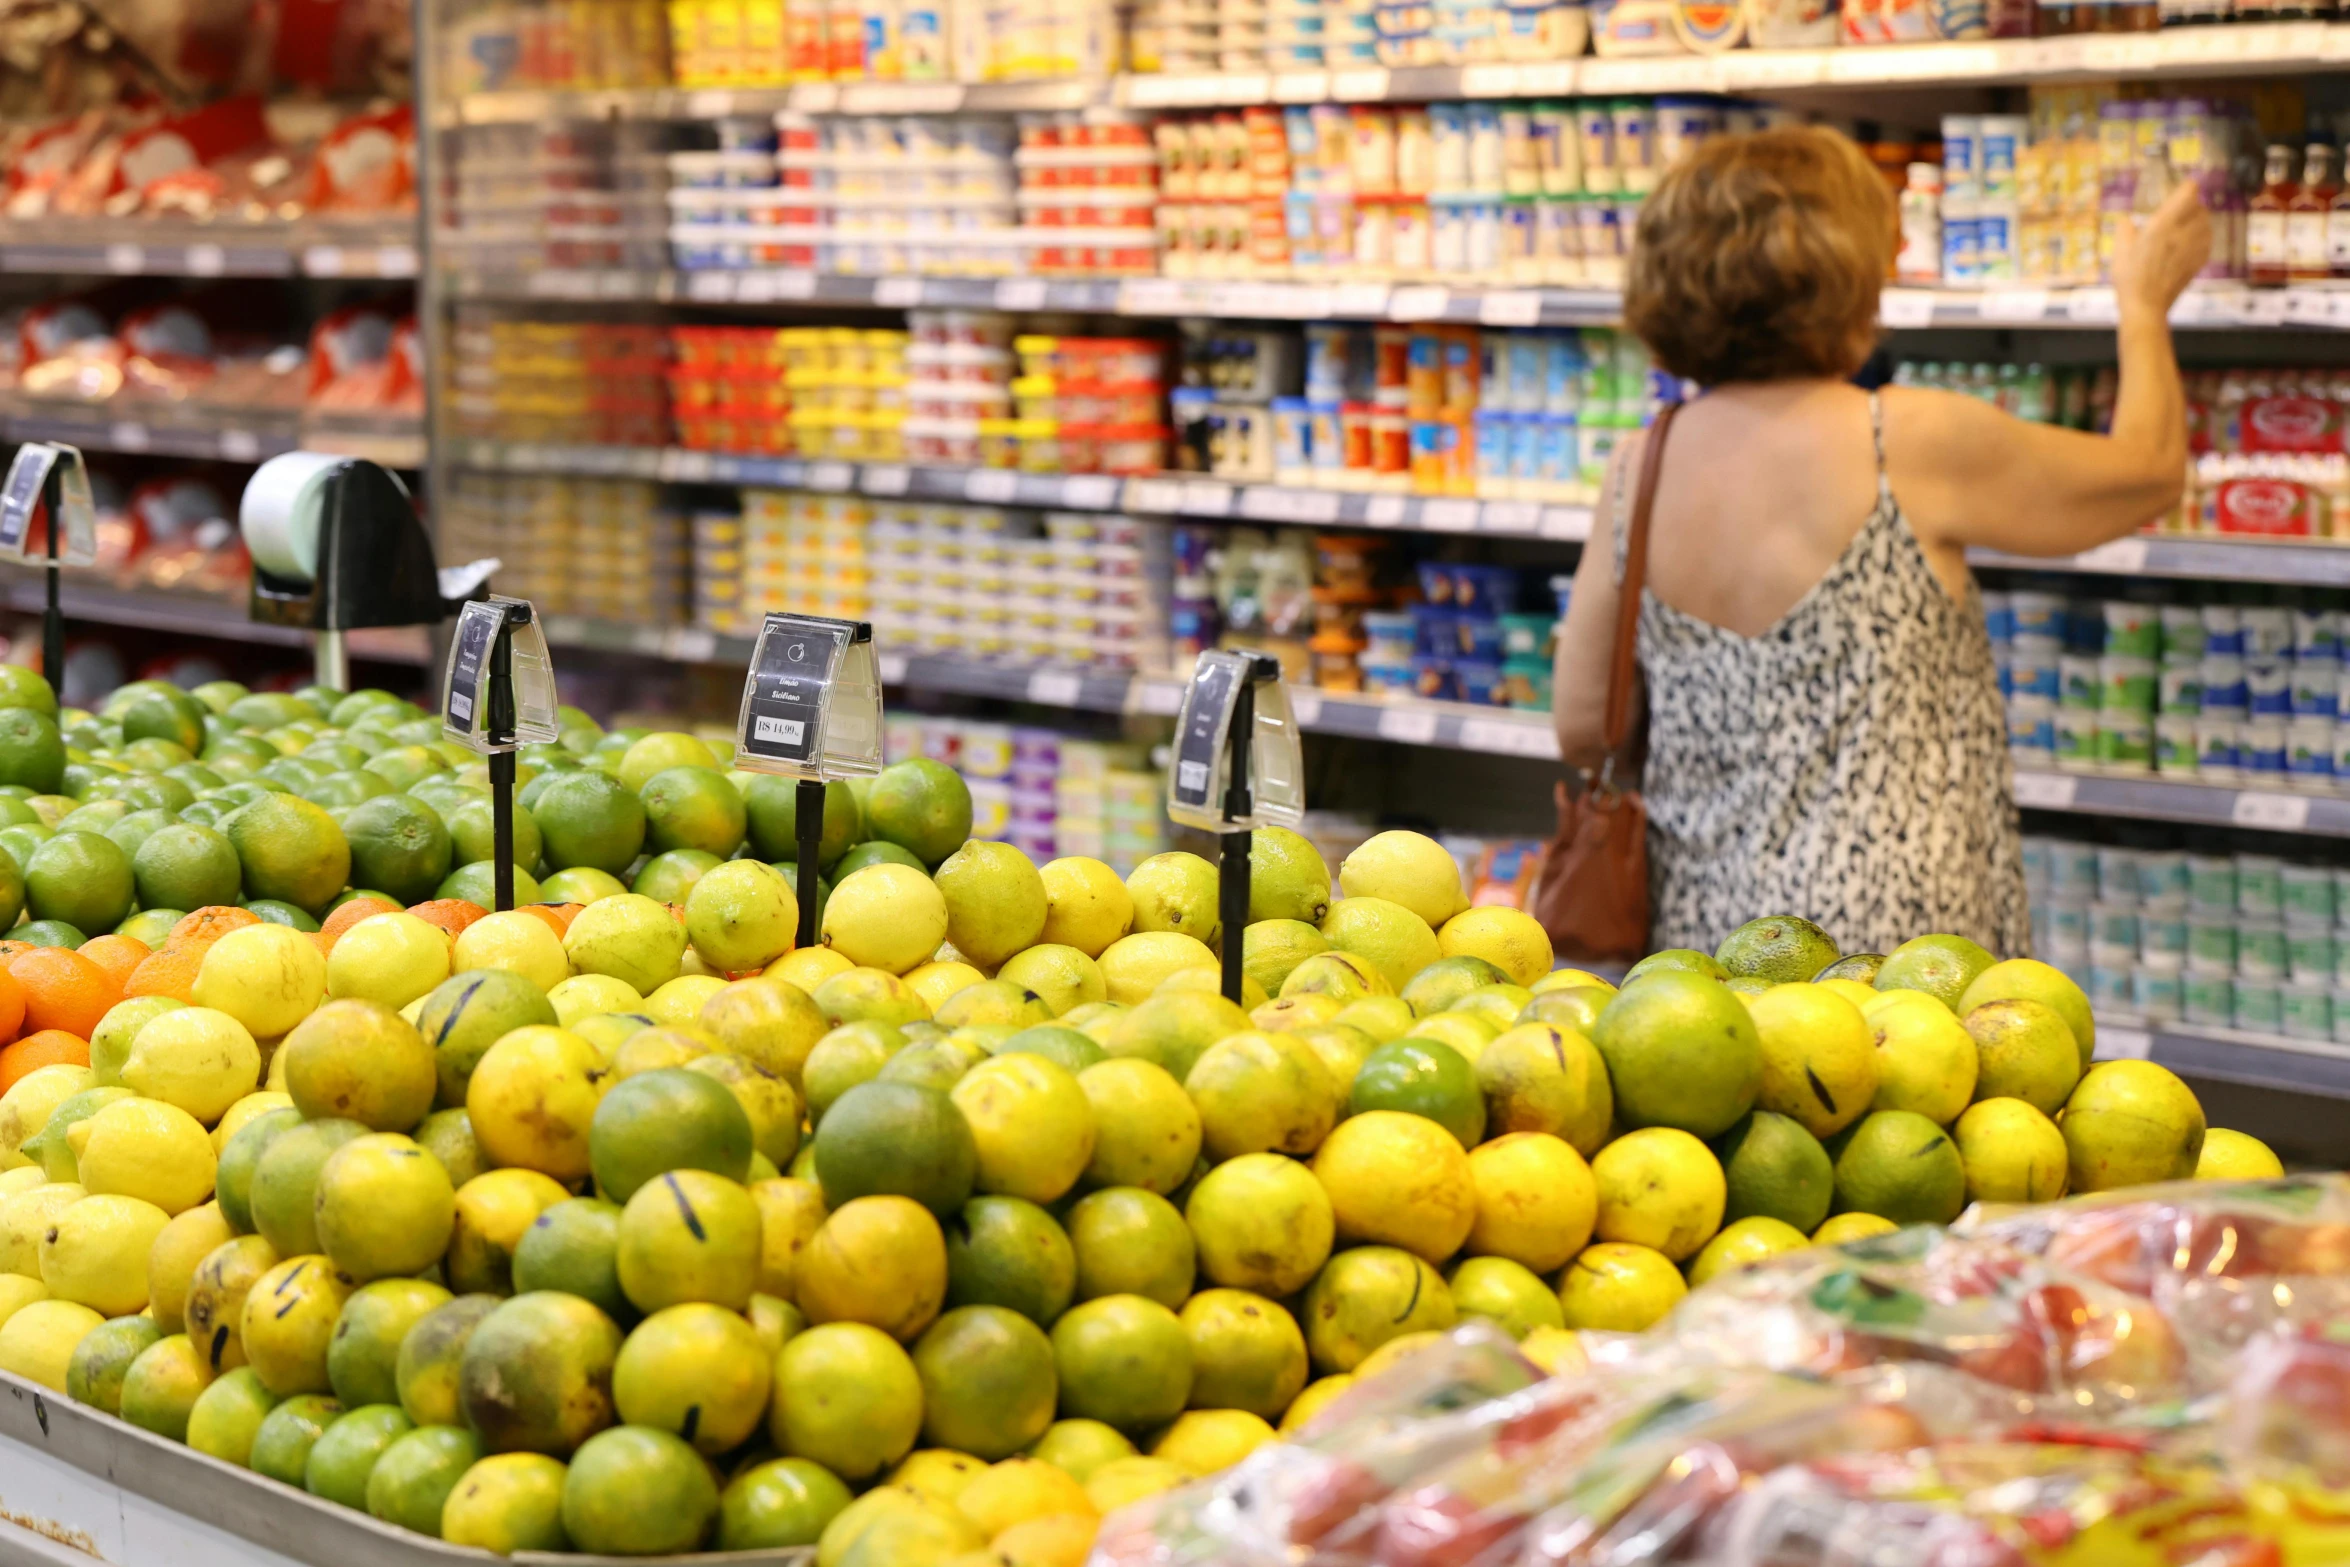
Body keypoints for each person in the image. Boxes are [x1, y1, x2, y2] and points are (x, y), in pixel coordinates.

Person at [1549, 124, 2212, 957]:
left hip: (1711, 942)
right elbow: (2146, 473)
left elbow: (1581, 727)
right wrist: (2144, 307)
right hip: (1904, 957)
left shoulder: (1641, 464)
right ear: (1846, 272)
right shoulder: (1905, 441)